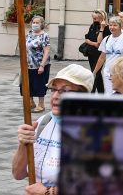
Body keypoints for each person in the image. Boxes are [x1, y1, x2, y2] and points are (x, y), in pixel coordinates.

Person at [12, 64, 95, 195]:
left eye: (64, 91)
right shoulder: (43, 122)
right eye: (54, 89)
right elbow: (18, 174)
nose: (55, 96)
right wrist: (23, 144)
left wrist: (46, 191)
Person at [93, 15, 123, 95]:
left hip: (121, 73)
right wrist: (94, 72)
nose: (112, 27)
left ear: (120, 26)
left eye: (115, 25)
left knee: (120, 95)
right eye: (111, 25)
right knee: (109, 95)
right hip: (108, 72)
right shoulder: (107, 39)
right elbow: (102, 57)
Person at [23, 15, 51, 113]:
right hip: (29, 63)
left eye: (37, 23)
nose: (35, 24)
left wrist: (42, 65)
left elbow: (47, 52)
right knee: (27, 83)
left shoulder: (44, 35)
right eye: (33, 22)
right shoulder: (29, 33)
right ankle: (31, 102)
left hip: (40, 63)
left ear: (42, 24)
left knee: (39, 83)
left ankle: (41, 104)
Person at [85, 9, 111, 93]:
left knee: (94, 74)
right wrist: (93, 44)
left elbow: (100, 41)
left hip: (100, 55)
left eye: (95, 19)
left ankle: (91, 94)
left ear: (101, 18)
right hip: (91, 52)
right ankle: (101, 93)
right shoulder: (93, 26)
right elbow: (87, 39)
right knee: (98, 75)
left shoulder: (107, 28)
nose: (94, 20)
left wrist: (102, 29)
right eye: (93, 18)